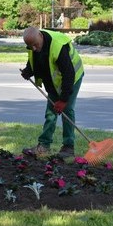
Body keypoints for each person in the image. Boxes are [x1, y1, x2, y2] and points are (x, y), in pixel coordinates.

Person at [20, 27, 84, 158]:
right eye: (30, 47)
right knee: (51, 113)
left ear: (40, 36)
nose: (34, 49)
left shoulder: (58, 46)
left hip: (72, 78)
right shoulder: (33, 45)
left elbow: (69, 74)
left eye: (35, 45)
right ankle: (44, 146)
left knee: (67, 110)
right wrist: (28, 71)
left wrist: (63, 100)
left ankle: (68, 147)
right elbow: (35, 61)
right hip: (53, 81)